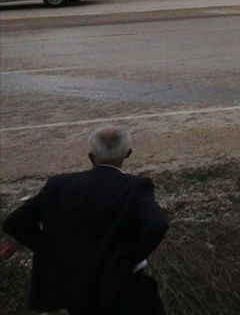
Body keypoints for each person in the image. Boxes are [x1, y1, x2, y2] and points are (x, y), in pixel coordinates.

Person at [2, 125, 168, 315]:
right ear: (128, 154)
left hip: (74, 288)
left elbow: (14, 222)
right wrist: (129, 256)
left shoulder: (59, 184)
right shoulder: (136, 186)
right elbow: (157, 224)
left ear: (91, 156)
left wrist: (52, 249)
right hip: (123, 286)